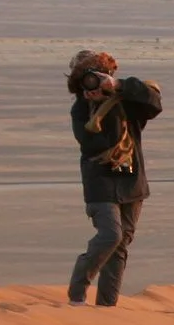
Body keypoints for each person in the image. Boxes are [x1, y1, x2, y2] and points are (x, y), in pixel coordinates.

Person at [66, 49, 163, 307]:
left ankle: (106, 308)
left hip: (131, 183)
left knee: (120, 246)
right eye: (86, 79)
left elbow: (154, 103)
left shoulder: (126, 99)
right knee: (111, 235)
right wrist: (100, 106)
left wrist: (118, 87)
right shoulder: (81, 109)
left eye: (98, 76)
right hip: (100, 185)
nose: (93, 83)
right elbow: (93, 144)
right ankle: (78, 290)